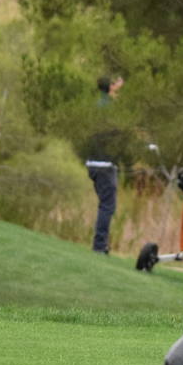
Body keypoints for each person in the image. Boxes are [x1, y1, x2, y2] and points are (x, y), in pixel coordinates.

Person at [82, 75, 125, 254]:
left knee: (105, 205)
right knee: (107, 206)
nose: (122, 85)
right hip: (104, 164)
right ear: (112, 86)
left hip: (93, 163)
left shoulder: (97, 105)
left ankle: (101, 244)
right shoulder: (109, 108)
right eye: (119, 82)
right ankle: (99, 246)